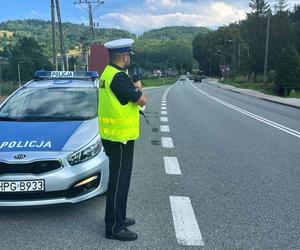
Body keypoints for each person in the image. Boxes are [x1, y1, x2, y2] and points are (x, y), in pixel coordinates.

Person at [98, 38, 147, 241]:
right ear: (125, 56)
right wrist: (139, 86)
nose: (129, 60)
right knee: (119, 182)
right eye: (129, 56)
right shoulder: (119, 77)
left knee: (120, 180)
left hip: (113, 136)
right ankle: (114, 228)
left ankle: (119, 217)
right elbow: (142, 100)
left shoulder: (107, 74)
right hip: (119, 138)